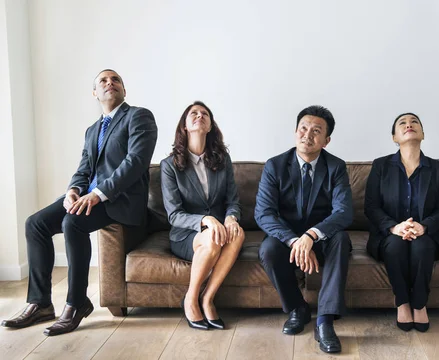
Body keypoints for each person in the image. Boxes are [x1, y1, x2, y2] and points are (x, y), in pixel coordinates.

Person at [1, 69, 158, 336]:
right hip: (88, 196)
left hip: (120, 200)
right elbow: (84, 169)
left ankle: (77, 303)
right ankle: (40, 303)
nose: (110, 83)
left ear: (124, 90)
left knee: (72, 222)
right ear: (95, 93)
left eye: (116, 79)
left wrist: (97, 194)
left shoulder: (138, 116)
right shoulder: (92, 130)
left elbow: (135, 163)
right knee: (35, 223)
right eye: (103, 81)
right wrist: (73, 189)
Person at [255, 105, 352, 353]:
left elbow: (343, 212)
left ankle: (325, 321)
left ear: (326, 140)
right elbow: (264, 213)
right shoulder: (275, 166)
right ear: (295, 131)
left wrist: (311, 235)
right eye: (303, 128)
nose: (308, 135)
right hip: (289, 238)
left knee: (341, 239)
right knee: (268, 248)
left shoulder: (336, 167)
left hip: (322, 237)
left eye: (316, 131)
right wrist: (294, 240)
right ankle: (298, 309)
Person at [364, 113, 439, 332]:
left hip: (426, 233)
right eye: (402, 123)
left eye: (414, 122)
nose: (409, 125)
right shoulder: (381, 166)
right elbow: (371, 206)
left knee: (422, 247)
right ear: (395, 137)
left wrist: (423, 226)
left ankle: (420, 304)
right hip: (389, 234)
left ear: (422, 134)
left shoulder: (438, 169)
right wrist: (395, 227)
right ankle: (403, 302)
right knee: (395, 246)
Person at [161, 101, 244, 330]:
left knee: (237, 234)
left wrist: (230, 218)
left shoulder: (222, 160)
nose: (200, 116)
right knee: (211, 239)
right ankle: (190, 298)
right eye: (194, 113)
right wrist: (205, 220)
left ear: (209, 126)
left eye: (205, 114)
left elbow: (232, 201)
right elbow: (174, 214)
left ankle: (207, 299)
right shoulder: (169, 165)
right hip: (186, 234)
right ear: (185, 126)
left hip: (220, 228)